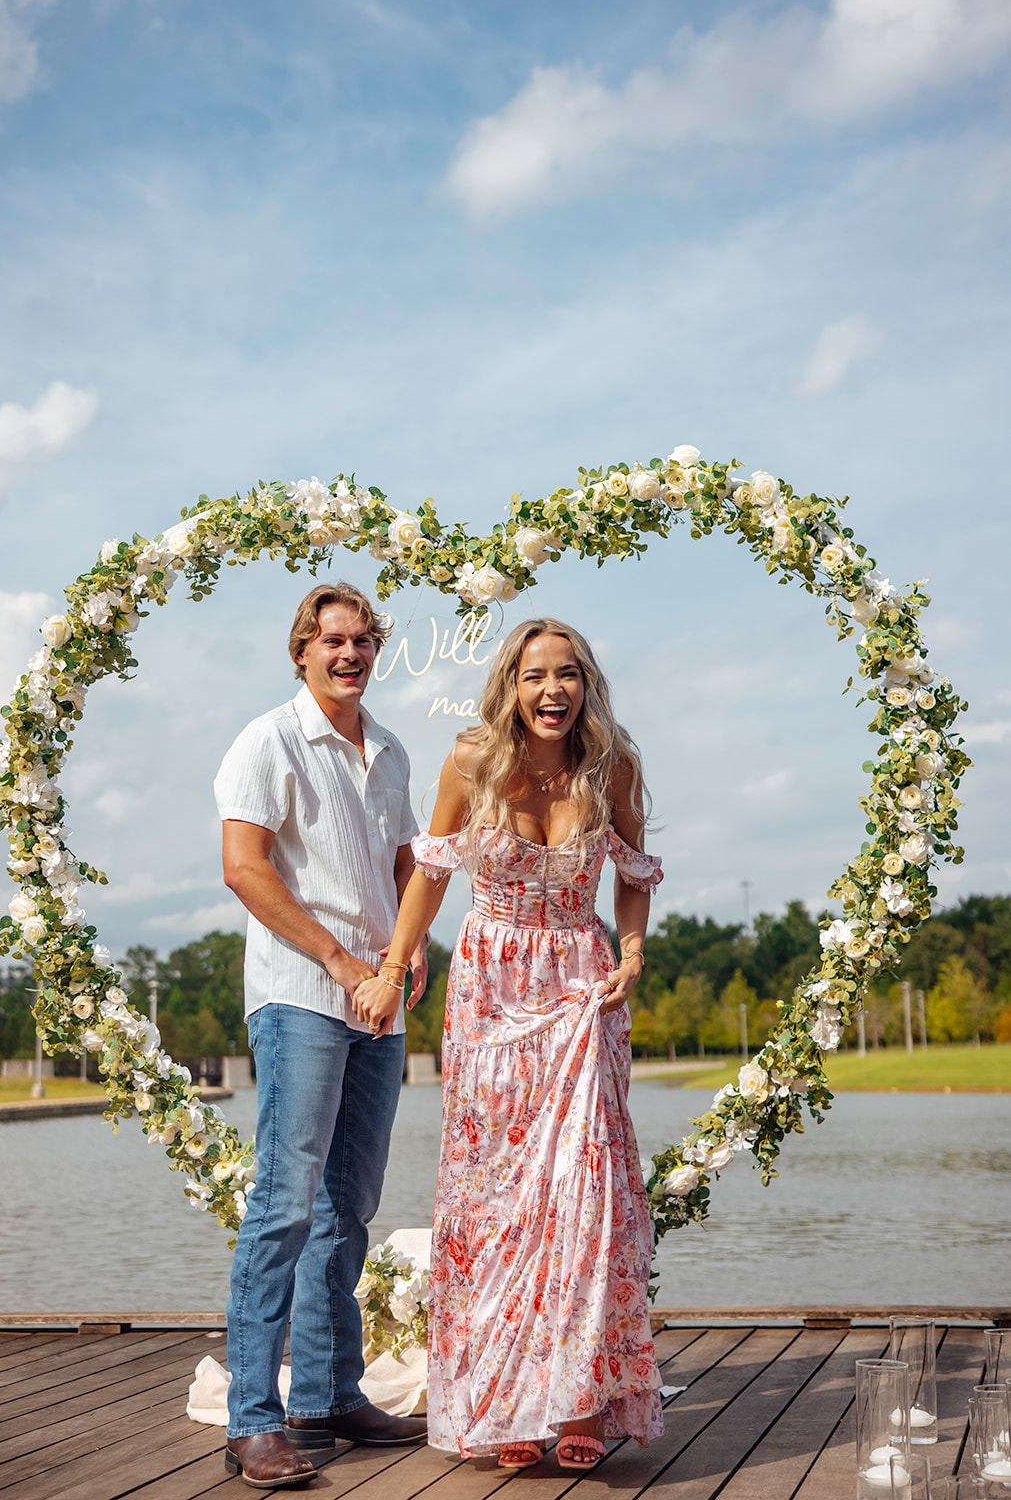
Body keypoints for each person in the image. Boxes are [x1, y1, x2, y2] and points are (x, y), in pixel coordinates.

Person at [354, 617, 665, 1470]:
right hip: (489, 994)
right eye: (535, 677)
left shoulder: (613, 768)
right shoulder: (470, 762)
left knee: (585, 1197)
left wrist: (630, 951)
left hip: (579, 988)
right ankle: (507, 1403)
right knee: (494, 1204)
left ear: (585, 685)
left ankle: (578, 1405)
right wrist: (392, 965)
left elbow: (635, 874)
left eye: (567, 675)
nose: (552, 691)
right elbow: (431, 871)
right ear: (511, 685)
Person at [214, 582, 429, 1490]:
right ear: (300, 649)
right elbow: (243, 869)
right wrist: (344, 964)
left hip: (380, 1002)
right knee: (284, 1205)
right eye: (332, 640)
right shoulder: (267, 740)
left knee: (350, 1207)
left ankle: (330, 1397)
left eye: (364, 640)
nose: (350, 654)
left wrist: (409, 953)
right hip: (304, 994)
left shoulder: (390, 751)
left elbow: (408, 863)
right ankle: (254, 1419)